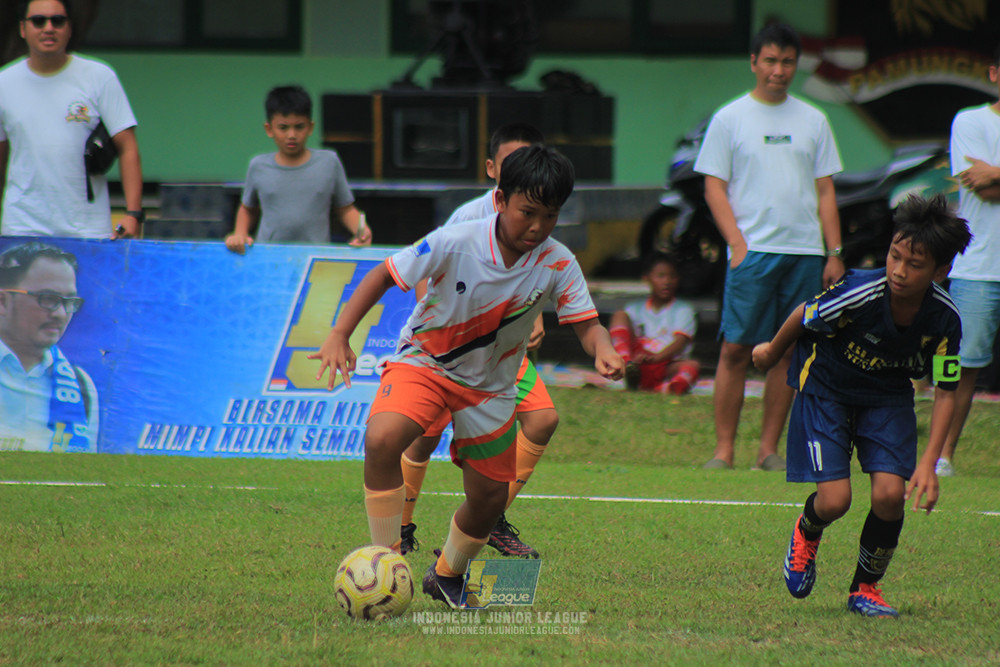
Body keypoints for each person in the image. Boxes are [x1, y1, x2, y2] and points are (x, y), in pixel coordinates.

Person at [309, 145, 624, 608]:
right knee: (382, 438)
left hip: (490, 388)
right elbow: (383, 274)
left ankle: (446, 575)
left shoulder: (558, 262)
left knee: (490, 498)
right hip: (426, 363)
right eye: (527, 212)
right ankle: (387, 561)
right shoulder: (455, 240)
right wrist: (340, 333)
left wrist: (605, 349)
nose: (537, 227)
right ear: (500, 200)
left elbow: (587, 324)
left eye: (551, 216)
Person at [752, 194, 971, 617]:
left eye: (914, 264)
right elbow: (805, 313)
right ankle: (807, 531)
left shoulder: (945, 319)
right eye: (895, 256)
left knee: (890, 495)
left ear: (941, 271)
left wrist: (930, 461)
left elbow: (947, 389)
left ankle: (865, 588)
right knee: (835, 501)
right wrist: (771, 352)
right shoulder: (862, 291)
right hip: (827, 388)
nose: (899, 271)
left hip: (887, 397)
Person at [694, 22, 845, 471]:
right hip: (752, 254)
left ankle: (768, 451)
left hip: (804, 252)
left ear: (796, 65)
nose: (779, 70)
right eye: (771, 61)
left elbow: (825, 191)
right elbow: (713, 188)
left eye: (788, 62)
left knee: (785, 350)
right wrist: (737, 245)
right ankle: (723, 451)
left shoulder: (814, 119)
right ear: (755, 62)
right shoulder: (730, 118)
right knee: (736, 348)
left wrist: (834, 252)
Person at [398, 122, 552, 560]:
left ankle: (492, 516)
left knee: (542, 420)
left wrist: (532, 317)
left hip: (501, 356)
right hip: (449, 353)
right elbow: (426, 275)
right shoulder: (468, 217)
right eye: (510, 164)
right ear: (491, 168)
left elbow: (539, 277)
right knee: (423, 438)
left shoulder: (538, 219)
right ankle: (402, 527)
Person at [0, 0, 143, 239]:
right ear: (23, 29)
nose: (48, 28)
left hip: (86, 228)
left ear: (69, 28)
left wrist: (133, 213)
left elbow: (128, 147)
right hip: (22, 226)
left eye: (57, 21)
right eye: (38, 21)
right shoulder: (4, 83)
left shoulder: (99, 77)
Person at [937, 44, 1000, 478]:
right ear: (994, 73)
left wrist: (994, 172)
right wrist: (990, 179)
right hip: (979, 266)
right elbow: (981, 188)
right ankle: (940, 456)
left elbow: (992, 180)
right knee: (962, 367)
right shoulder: (971, 120)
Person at [224, 85, 371, 254]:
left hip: (316, 257)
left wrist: (361, 232)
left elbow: (345, 208)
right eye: (283, 127)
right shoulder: (257, 165)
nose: (292, 135)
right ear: (269, 129)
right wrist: (240, 234)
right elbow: (248, 208)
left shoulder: (329, 162)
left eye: (299, 127)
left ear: (310, 127)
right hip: (268, 256)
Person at [0, 241, 98, 452]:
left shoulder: (81, 385)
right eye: (47, 299)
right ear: (3, 301)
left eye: (69, 301)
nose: (60, 314)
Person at [609, 251, 700, 394]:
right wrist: (634, 360)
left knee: (692, 366)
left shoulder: (684, 309)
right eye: (661, 276)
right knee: (619, 315)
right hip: (638, 364)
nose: (667, 282)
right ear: (647, 278)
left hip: (666, 363)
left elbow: (680, 343)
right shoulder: (633, 308)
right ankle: (626, 365)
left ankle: (666, 389)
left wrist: (656, 358)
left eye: (672, 276)